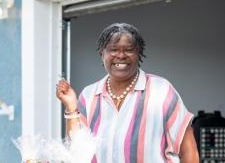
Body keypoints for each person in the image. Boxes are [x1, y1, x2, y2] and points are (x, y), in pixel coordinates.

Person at [56, 23, 199, 162]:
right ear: (102, 54)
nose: (121, 55)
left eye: (129, 50)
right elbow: (76, 151)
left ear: (139, 54)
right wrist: (71, 106)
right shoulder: (89, 95)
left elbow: (188, 150)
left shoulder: (161, 90)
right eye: (113, 49)